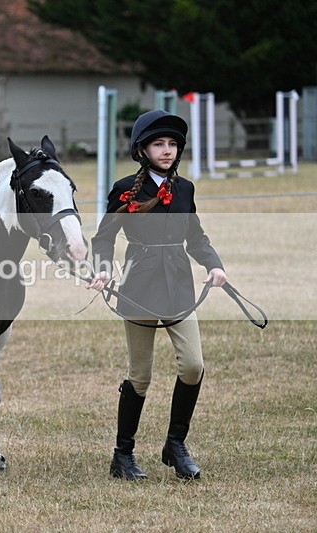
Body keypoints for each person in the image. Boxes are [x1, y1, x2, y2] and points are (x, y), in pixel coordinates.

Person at [87, 109, 227, 481]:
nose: (166, 150)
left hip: (179, 285)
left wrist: (213, 265)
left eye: (172, 144)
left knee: (193, 365)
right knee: (140, 375)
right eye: (158, 144)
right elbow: (103, 238)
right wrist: (102, 268)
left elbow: (195, 236)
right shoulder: (123, 189)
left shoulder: (185, 189)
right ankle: (123, 455)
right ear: (142, 150)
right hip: (140, 286)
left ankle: (175, 445)